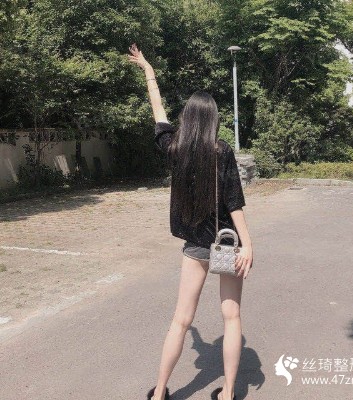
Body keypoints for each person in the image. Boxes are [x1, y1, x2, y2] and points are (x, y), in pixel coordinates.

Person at [128, 43, 253, 400]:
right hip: (226, 245)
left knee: (181, 320)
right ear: (213, 119)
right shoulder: (222, 150)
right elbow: (233, 201)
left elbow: (158, 113)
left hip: (196, 246)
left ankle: (159, 393)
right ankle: (228, 394)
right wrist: (249, 244)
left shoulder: (175, 148)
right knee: (232, 318)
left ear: (187, 118)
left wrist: (149, 71)